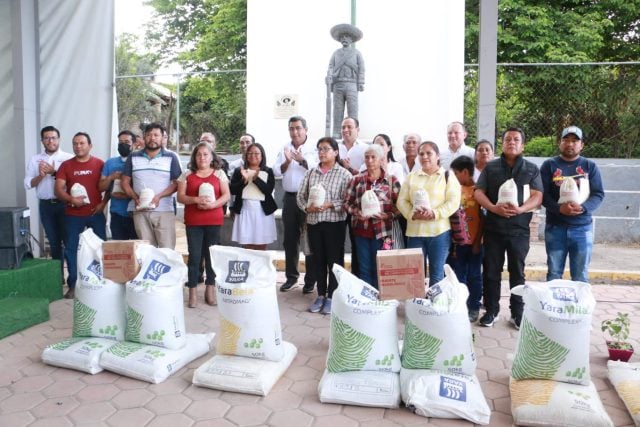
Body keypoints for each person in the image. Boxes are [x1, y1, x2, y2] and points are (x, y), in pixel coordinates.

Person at [474, 127, 543, 329]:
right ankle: (492, 311)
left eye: (516, 139)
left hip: (519, 230)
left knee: (517, 272)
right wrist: (493, 208)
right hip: (494, 229)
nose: (511, 142)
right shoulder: (491, 168)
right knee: (491, 271)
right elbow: (479, 192)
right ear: (502, 144)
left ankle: (517, 313)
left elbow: (537, 195)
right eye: (507, 139)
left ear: (522, 145)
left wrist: (521, 209)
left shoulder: (531, 169)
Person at [540, 126, 605, 283]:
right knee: (554, 274)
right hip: (555, 228)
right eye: (566, 140)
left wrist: (583, 208)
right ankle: (554, 307)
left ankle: (578, 308)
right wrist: (558, 208)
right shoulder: (549, 165)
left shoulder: (590, 166)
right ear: (560, 143)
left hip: (582, 228)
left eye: (574, 141)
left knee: (580, 275)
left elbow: (598, 194)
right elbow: (541, 194)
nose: (570, 144)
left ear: (581, 144)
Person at [297, 137, 352, 315]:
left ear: (336, 152)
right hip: (314, 222)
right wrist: (308, 207)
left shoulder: (344, 174)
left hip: (334, 223)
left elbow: (348, 200)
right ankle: (320, 294)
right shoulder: (311, 173)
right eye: (319, 149)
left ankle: (332, 297)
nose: (322, 152)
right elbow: (300, 196)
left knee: (334, 261)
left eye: (326, 149)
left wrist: (330, 204)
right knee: (317, 260)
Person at [397, 141, 461, 287]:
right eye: (421, 154)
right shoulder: (412, 177)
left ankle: (434, 307)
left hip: (439, 233)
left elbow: (453, 202)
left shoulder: (447, 176)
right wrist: (412, 214)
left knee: (437, 274)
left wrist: (434, 213)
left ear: (437, 156)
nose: (425, 157)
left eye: (429, 153)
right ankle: (418, 307)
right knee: (415, 275)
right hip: (415, 234)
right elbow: (402, 201)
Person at [177, 142, 230, 308]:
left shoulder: (219, 174)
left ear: (212, 156)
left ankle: (210, 289)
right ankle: (192, 291)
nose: (202, 157)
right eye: (199, 154)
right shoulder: (187, 175)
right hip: (194, 221)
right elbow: (180, 197)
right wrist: (195, 200)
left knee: (211, 257)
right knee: (194, 257)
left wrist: (213, 205)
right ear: (194, 157)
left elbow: (226, 195)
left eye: (205, 154)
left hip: (214, 219)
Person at [54, 132, 106, 299]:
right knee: (71, 250)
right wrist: (71, 199)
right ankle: (74, 285)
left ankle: (100, 282)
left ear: (90, 145)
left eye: (82, 143)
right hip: (73, 215)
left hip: (95, 214)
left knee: (99, 249)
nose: (78, 146)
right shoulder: (66, 166)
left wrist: (103, 204)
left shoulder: (100, 164)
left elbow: (109, 187)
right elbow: (58, 189)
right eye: (75, 143)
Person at [344, 144, 400, 289]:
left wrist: (388, 215)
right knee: (364, 268)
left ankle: (381, 300)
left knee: (380, 268)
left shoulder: (391, 180)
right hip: (361, 231)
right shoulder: (357, 180)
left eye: (373, 157)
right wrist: (357, 212)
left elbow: (399, 206)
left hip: (383, 233)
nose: (369, 160)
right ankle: (367, 300)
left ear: (381, 159)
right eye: (367, 157)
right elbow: (346, 203)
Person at [24, 126, 74, 285]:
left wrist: (54, 172)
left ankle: (73, 279)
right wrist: (40, 175)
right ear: (42, 141)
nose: (50, 141)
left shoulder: (69, 158)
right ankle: (57, 278)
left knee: (69, 241)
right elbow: (28, 184)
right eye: (47, 138)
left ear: (59, 139)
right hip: (46, 206)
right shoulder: (35, 159)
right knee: (53, 242)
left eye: (53, 137)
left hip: (65, 204)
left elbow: (74, 182)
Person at [274, 116, 318, 293]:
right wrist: (286, 162)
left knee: (309, 240)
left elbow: (318, 169)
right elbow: (276, 170)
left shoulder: (314, 147)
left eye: (298, 128)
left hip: (309, 199)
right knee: (290, 240)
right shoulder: (285, 147)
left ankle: (310, 280)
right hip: (290, 198)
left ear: (306, 130)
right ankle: (291, 277)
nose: (295, 132)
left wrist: (301, 160)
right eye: (292, 128)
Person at [121, 122, 182, 249]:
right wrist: (135, 197)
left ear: (162, 137)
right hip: (140, 210)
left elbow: (177, 183)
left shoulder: (171, 157)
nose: (152, 138)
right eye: (149, 135)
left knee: (167, 250)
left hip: (164, 210)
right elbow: (125, 182)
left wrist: (159, 196)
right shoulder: (133, 156)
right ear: (144, 137)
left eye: (156, 135)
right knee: (146, 250)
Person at [448, 156, 484, 322]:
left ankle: (474, 306)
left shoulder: (478, 190)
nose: (453, 176)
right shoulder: (454, 189)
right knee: (458, 275)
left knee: (475, 275)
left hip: (475, 242)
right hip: (458, 243)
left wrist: (477, 241)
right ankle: (459, 306)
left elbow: (483, 218)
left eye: (455, 173)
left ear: (464, 172)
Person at [229, 143, 277, 250]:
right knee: (247, 246)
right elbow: (233, 190)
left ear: (262, 155)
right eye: (250, 153)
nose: (253, 155)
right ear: (246, 156)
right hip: (245, 211)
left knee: (261, 246)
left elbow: (268, 190)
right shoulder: (239, 171)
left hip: (263, 213)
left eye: (256, 153)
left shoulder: (268, 171)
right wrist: (244, 180)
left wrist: (256, 179)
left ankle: (259, 267)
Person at [338, 117, 366, 276]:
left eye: (349, 127)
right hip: (337, 202)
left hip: (356, 203)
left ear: (357, 129)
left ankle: (357, 277)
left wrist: (349, 168)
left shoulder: (364, 149)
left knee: (357, 243)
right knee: (337, 243)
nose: (346, 130)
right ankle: (340, 278)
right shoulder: (335, 148)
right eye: (343, 127)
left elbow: (366, 173)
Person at [326, 23, 365, 139]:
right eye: (342, 37)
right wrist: (330, 78)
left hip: (352, 84)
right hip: (338, 84)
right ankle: (337, 132)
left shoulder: (357, 53)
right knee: (337, 110)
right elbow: (331, 67)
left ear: (351, 39)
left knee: (353, 110)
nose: (344, 39)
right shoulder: (336, 53)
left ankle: (354, 133)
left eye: (347, 37)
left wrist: (361, 82)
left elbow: (362, 67)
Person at [100, 130, 137, 240]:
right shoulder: (110, 163)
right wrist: (111, 177)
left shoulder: (139, 161)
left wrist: (127, 195)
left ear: (134, 144)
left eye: (126, 142)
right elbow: (101, 187)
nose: (123, 144)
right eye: (120, 142)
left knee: (139, 250)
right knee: (120, 250)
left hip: (137, 214)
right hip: (117, 214)